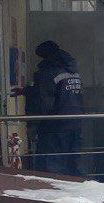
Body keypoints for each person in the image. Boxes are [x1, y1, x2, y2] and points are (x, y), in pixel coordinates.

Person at [15, 40, 84, 175]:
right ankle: (74, 193)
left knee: (52, 165)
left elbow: (45, 100)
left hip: (55, 126)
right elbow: (63, 93)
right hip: (75, 123)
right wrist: (26, 91)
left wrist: (34, 124)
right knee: (72, 162)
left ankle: (55, 194)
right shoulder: (72, 70)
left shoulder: (48, 71)